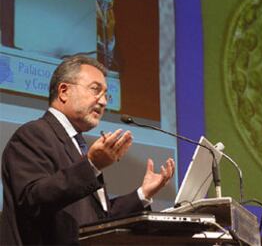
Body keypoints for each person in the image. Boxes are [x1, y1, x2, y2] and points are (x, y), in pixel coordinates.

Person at [0, 55, 175, 245]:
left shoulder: (78, 144)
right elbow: (33, 199)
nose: (103, 102)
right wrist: (91, 165)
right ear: (64, 91)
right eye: (95, 90)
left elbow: (99, 219)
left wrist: (143, 194)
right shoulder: (33, 134)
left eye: (106, 94)